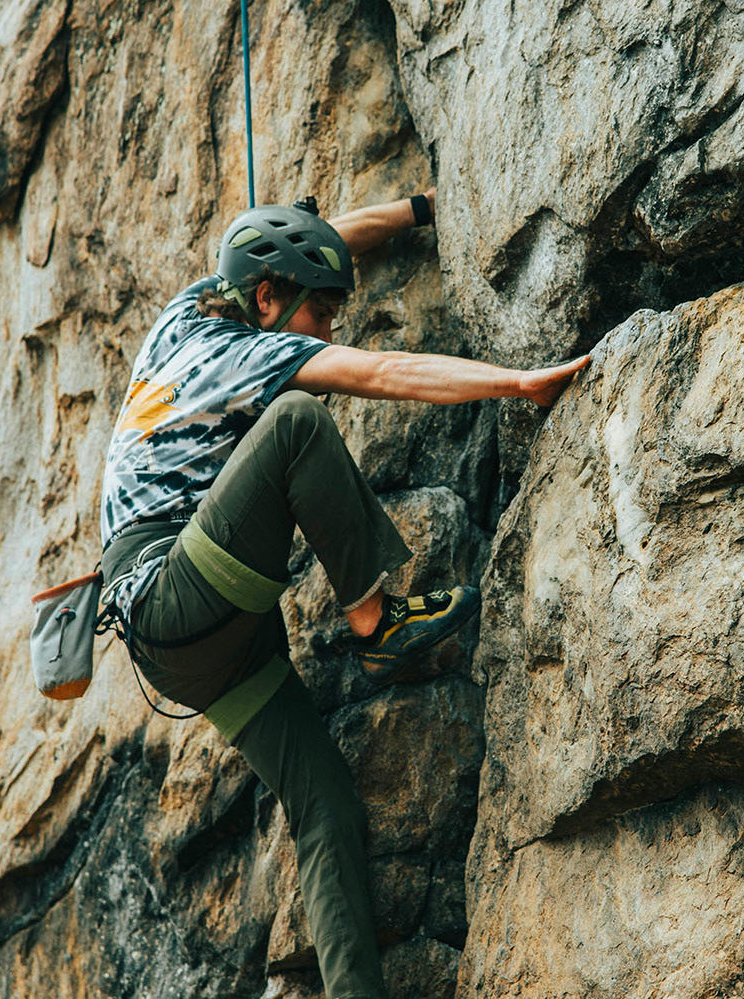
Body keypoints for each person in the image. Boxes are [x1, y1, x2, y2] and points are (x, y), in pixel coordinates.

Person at [97, 190, 586, 999]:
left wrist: (415, 210)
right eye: (319, 312)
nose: (326, 329)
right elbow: (384, 370)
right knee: (297, 419)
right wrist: (516, 382)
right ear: (266, 299)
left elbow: (328, 239)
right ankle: (376, 624)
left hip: (185, 646)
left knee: (326, 805)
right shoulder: (243, 354)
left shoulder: (187, 314)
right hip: (177, 590)